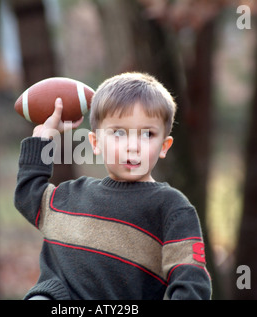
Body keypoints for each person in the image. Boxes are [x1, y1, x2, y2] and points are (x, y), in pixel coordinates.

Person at [14, 72, 212, 300]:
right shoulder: (73, 195)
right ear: (95, 143)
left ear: (164, 146)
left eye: (147, 134)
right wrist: (42, 139)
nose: (133, 146)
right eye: (119, 133)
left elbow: (191, 281)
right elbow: (28, 196)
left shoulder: (171, 208)